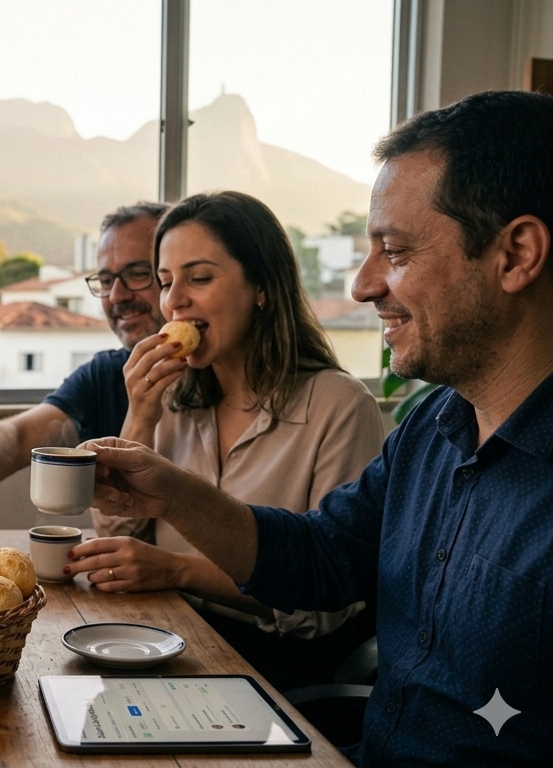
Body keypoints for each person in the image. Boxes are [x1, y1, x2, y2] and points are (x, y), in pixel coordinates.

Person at [85, 90, 553, 764]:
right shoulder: (428, 433)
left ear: (515, 255)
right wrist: (168, 491)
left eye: (393, 251)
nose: (362, 285)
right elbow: (320, 557)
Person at [68, 191, 385, 692]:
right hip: (163, 640)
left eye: (199, 278)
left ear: (261, 286)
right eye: (167, 282)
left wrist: (177, 571)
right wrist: (141, 414)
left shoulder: (339, 406)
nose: (174, 301)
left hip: (277, 668)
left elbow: (323, 607)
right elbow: (119, 527)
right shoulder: (174, 403)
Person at [0, 202, 168, 519]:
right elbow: (17, 436)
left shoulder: (221, 375)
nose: (117, 296)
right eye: (107, 281)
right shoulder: (106, 373)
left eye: (138, 274)